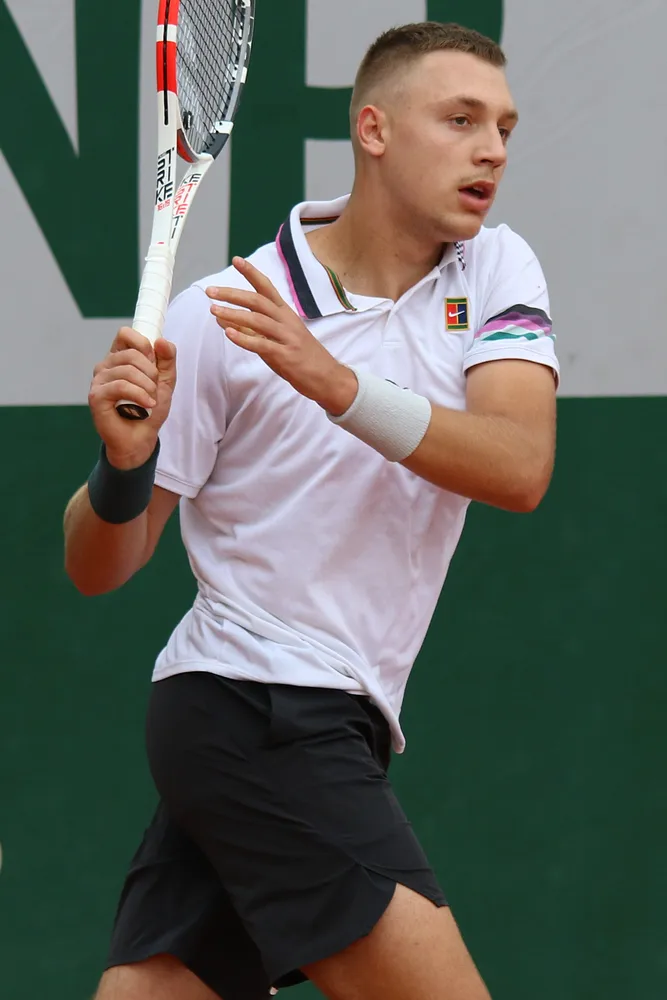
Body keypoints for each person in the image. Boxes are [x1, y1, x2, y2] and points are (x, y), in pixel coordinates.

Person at [64, 21, 558, 1000]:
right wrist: (122, 467)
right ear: (373, 129)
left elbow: (518, 465)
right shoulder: (222, 315)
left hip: (316, 718)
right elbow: (98, 567)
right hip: (256, 706)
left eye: (503, 127)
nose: (492, 149)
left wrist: (337, 385)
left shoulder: (493, 269)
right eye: (460, 120)